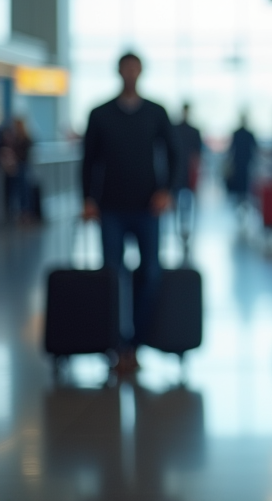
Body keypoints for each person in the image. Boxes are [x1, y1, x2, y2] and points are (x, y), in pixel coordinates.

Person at [82, 52, 177, 373]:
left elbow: (176, 155)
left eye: (135, 68)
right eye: (126, 68)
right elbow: (88, 160)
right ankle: (115, 343)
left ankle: (137, 342)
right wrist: (87, 199)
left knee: (150, 273)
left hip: (147, 208)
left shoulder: (155, 112)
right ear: (119, 72)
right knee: (112, 274)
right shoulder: (100, 114)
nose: (131, 73)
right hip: (110, 207)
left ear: (141, 72)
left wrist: (167, 191)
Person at [171, 103, 203, 253]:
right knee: (177, 204)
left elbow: (197, 156)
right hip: (178, 172)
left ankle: (186, 231)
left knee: (188, 204)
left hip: (188, 173)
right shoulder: (175, 129)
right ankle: (180, 230)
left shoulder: (193, 131)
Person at [2, 116, 35, 222]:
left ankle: (25, 212)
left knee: (23, 189)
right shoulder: (13, 139)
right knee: (13, 189)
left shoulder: (25, 139)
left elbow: (24, 155)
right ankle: (13, 211)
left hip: (22, 167)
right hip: (13, 168)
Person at [225, 114, 257, 210]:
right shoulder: (248, 134)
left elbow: (231, 150)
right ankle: (242, 207)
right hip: (243, 165)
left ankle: (241, 207)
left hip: (241, 165)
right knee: (243, 189)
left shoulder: (238, 134)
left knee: (242, 189)